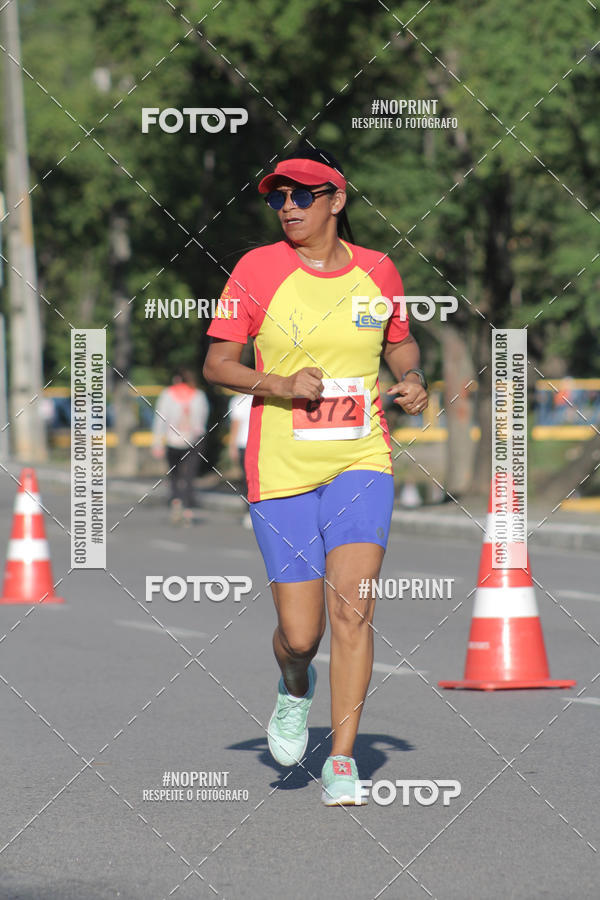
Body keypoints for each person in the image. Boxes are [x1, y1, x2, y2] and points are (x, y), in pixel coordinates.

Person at [203, 147, 428, 805]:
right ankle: (294, 683)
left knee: (353, 610)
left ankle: (342, 761)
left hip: (362, 459)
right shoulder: (256, 268)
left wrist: (410, 377)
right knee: (302, 633)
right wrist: (276, 382)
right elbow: (219, 361)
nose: (289, 207)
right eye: (278, 197)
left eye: (303, 195)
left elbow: (400, 339)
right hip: (282, 468)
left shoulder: (379, 270)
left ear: (337, 199)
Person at [152, 368, 209, 524]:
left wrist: (157, 443)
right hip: (194, 439)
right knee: (189, 475)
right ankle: (188, 508)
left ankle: (177, 502)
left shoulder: (167, 395)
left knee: (175, 474)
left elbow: (160, 420)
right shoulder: (199, 395)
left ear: (177, 379)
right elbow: (202, 420)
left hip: (172, 440)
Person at [227, 391, 253, 528]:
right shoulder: (260, 397)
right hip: (257, 444)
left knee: (246, 480)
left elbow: (235, 424)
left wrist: (232, 446)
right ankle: (252, 511)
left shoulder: (238, 400)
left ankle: (249, 512)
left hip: (244, 444)